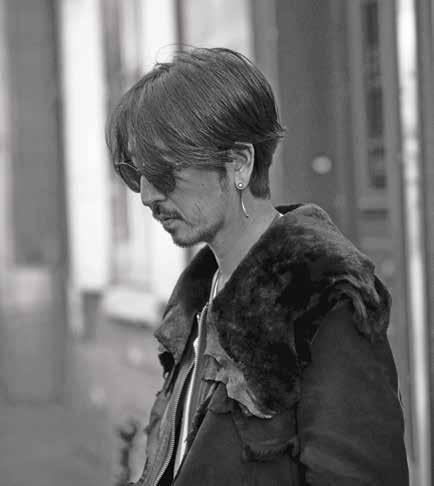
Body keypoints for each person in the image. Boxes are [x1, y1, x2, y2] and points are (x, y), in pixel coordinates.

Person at [107, 47, 409, 486]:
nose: (148, 195)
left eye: (164, 172)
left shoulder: (323, 298)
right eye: (138, 174)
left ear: (239, 163)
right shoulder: (200, 297)